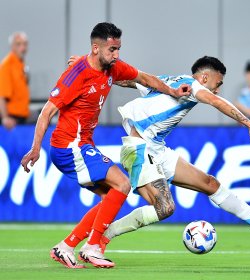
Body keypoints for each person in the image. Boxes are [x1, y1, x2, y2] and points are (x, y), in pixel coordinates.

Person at [20, 22, 191, 269]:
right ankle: (92, 247)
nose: (116, 54)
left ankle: (66, 246)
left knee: (110, 197)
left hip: (82, 145)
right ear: (96, 48)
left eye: (118, 49)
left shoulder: (112, 68)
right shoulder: (76, 74)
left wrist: (173, 92)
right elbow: (46, 112)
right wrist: (36, 148)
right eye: (112, 49)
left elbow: (144, 78)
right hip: (69, 146)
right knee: (122, 183)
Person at [95, 56, 250, 251]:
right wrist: (249, 123)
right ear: (204, 78)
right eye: (218, 83)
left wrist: (94, 69)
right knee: (165, 208)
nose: (218, 89)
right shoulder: (192, 86)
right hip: (139, 147)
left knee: (210, 183)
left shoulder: (170, 81)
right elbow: (215, 101)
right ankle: (103, 236)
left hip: (156, 149)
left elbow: (128, 80)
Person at [0, 32, 30, 129]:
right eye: (18, 44)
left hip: (22, 117)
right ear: (12, 46)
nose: (23, 48)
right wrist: (5, 118)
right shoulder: (7, 65)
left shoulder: (21, 64)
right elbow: (2, 95)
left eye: (25, 44)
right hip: (12, 119)